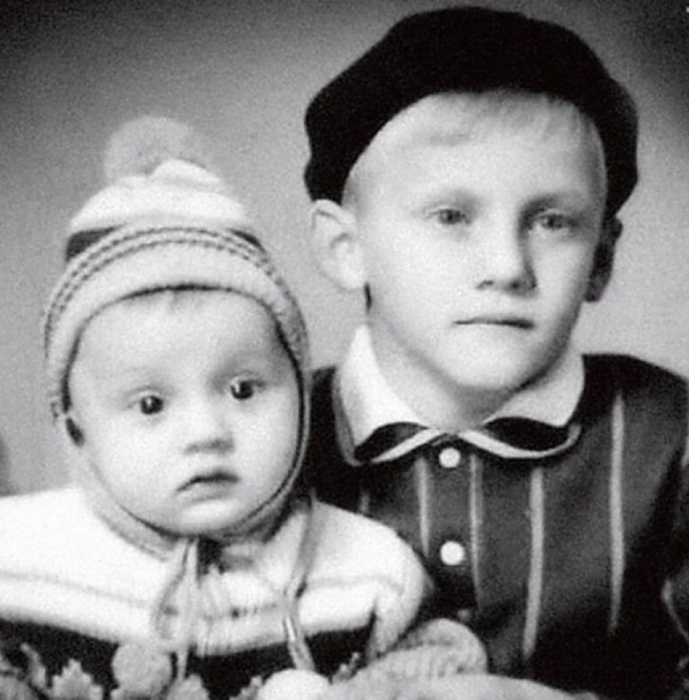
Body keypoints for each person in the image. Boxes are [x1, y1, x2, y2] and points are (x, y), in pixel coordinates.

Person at [302, 6, 689, 700]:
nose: (508, 266)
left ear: (600, 258)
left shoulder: (668, 441)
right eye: (451, 216)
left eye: (553, 222)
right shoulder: (271, 442)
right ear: (345, 247)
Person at [0, 116, 456, 700]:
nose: (207, 432)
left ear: (300, 392)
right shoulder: (22, 563)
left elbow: (440, 665)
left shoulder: (372, 575)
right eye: (150, 404)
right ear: (77, 430)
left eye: (243, 390)